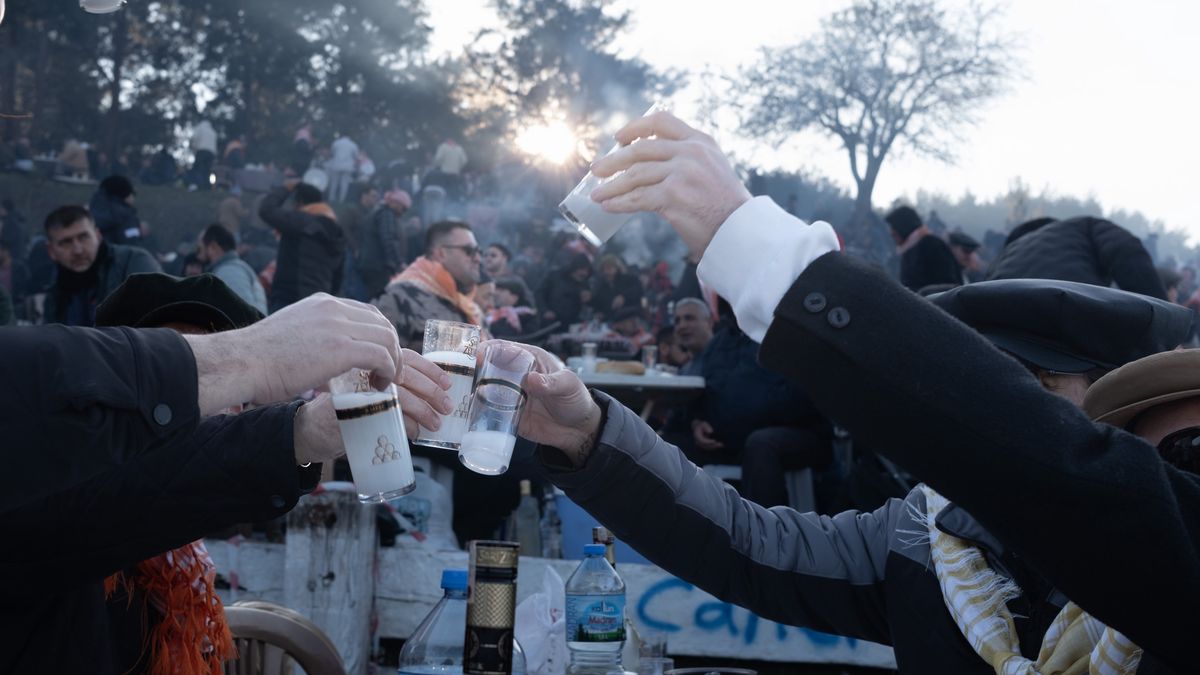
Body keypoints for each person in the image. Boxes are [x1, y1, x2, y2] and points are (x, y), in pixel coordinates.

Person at [571, 110, 1195, 670]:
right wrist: (588, 437)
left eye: (1034, 389)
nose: (979, 413)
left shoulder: (1171, 543)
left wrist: (754, 246)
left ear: (1119, 421)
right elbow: (747, 546)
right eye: (986, 380)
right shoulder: (927, 538)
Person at [0, 291, 454, 673]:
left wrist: (307, 433)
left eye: (238, 395)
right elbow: (121, 495)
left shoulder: (187, 565)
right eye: (195, 376)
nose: (218, 408)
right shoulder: (60, 510)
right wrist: (269, 391)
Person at [987, 216, 1167, 299]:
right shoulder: (1084, 226)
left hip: (998, 338)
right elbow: (1126, 250)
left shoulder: (1003, 257)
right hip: (1073, 321)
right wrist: (1165, 328)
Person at [371, 220, 483, 350]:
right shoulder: (399, 297)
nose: (478, 258)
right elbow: (372, 360)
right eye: (469, 251)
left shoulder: (469, 307)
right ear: (441, 253)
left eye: (479, 251)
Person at [42, 205, 161, 326]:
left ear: (98, 236)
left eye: (83, 237)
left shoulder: (134, 262)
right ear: (51, 251)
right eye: (66, 242)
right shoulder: (56, 292)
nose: (78, 250)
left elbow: (156, 323)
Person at [258, 180, 346, 312]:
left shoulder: (301, 221)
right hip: (319, 302)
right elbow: (338, 276)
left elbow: (267, 210)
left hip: (289, 298)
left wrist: (285, 188)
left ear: (299, 203)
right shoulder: (336, 230)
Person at [884, 205, 962, 292]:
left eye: (894, 227)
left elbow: (949, 285)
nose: (891, 232)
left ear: (903, 225)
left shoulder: (931, 245)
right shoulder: (908, 249)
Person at [198, 223, 268, 314]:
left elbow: (243, 315)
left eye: (200, 249)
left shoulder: (229, 271)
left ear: (213, 247)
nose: (198, 256)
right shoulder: (232, 269)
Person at [359, 189, 411, 299]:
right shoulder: (386, 214)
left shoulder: (378, 212)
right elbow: (388, 238)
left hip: (372, 265)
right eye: (403, 208)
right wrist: (399, 262)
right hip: (378, 266)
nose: (403, 212)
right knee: (379, 301)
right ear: (396, 202)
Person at [538, 253, 592, 328]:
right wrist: (544, 310)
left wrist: (588, 299)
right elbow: (539, 293)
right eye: (582, 269)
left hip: (572, 325)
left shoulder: (584, 283)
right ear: (575, 267)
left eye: (587, 270)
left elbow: (587, 304)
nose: (585, 273)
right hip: (550, 323)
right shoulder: (555, 275)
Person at [88, 175, 144, 246]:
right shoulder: (126, 217)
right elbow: (133, 245)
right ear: (125, 194)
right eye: (132, 194)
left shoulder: (88, 217)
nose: (133, 198)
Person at [591, 254, 644, 321]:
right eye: (603, 269)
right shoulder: (601, 288)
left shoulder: (629, 279)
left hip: (634, 317)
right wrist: (599, 313)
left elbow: (640, 291)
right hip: (614, 323)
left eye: (609, 268)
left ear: (616, 268)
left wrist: (624, 296)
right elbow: (600, 306)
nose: (606, 272)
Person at [672, 297, 714, 371]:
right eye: (677, 321)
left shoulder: (730, 360)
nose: (682, 326)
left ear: (709, 322)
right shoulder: (684, 370)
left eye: (689, 318)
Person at [327, 133, 360, 203]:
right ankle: (341, 199)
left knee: (334, 182)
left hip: (336, 165)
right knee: (344, 183)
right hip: (347, 166)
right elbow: (356, 156)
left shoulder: (336, 143)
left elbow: (332, 153)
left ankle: (331, 198)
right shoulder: (353, 144)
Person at [187, 121, 218, 191]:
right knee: (207, 170)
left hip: (201, 151)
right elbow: (215, 145)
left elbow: (195, 138)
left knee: (198, 168)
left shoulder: (200, 128)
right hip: (211, 153)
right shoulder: (213, 132)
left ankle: (195, 185)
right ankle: (206, 187)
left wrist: (194, 149)